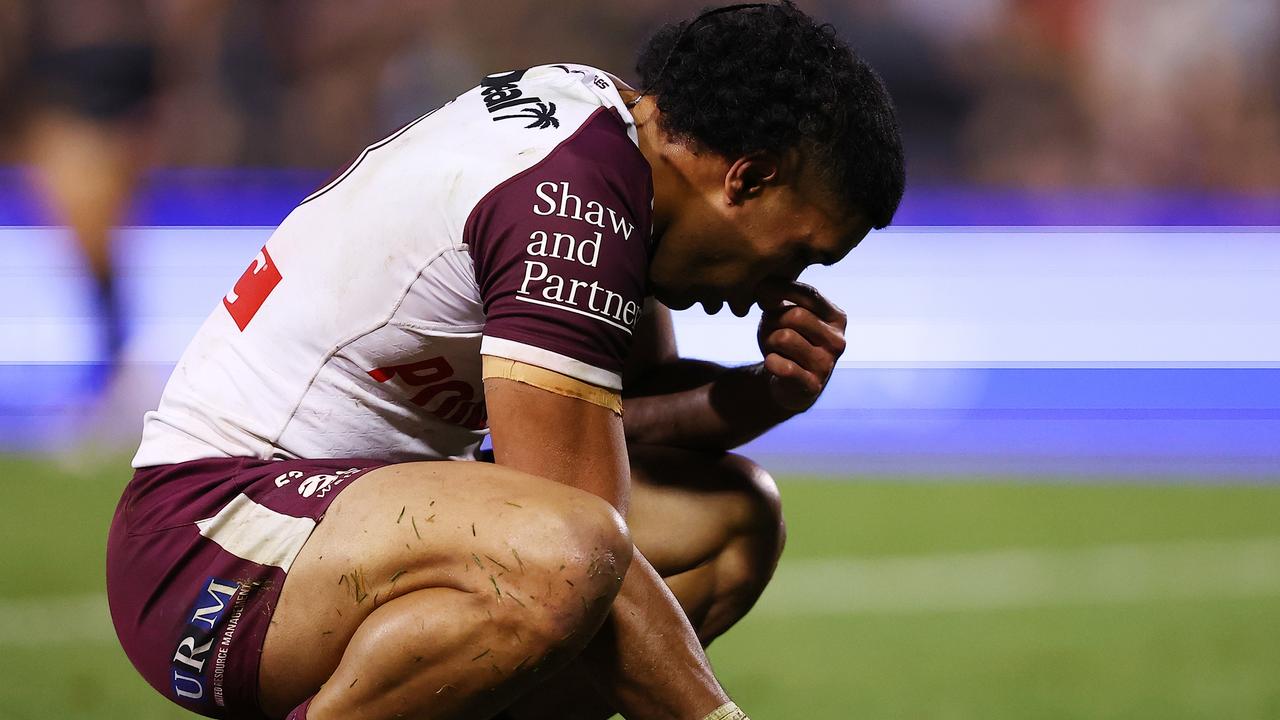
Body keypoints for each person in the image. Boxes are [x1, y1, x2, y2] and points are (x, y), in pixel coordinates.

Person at [105, 3, 905, 719]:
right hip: (211, 547)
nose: (774, 290)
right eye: (795, 253)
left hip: (339, 530)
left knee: (728, 520)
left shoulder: (605, 135)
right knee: (564, 553)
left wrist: (757, 398)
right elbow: (581, 532)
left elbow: (612, 413)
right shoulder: (571, 210)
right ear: (749, 177)